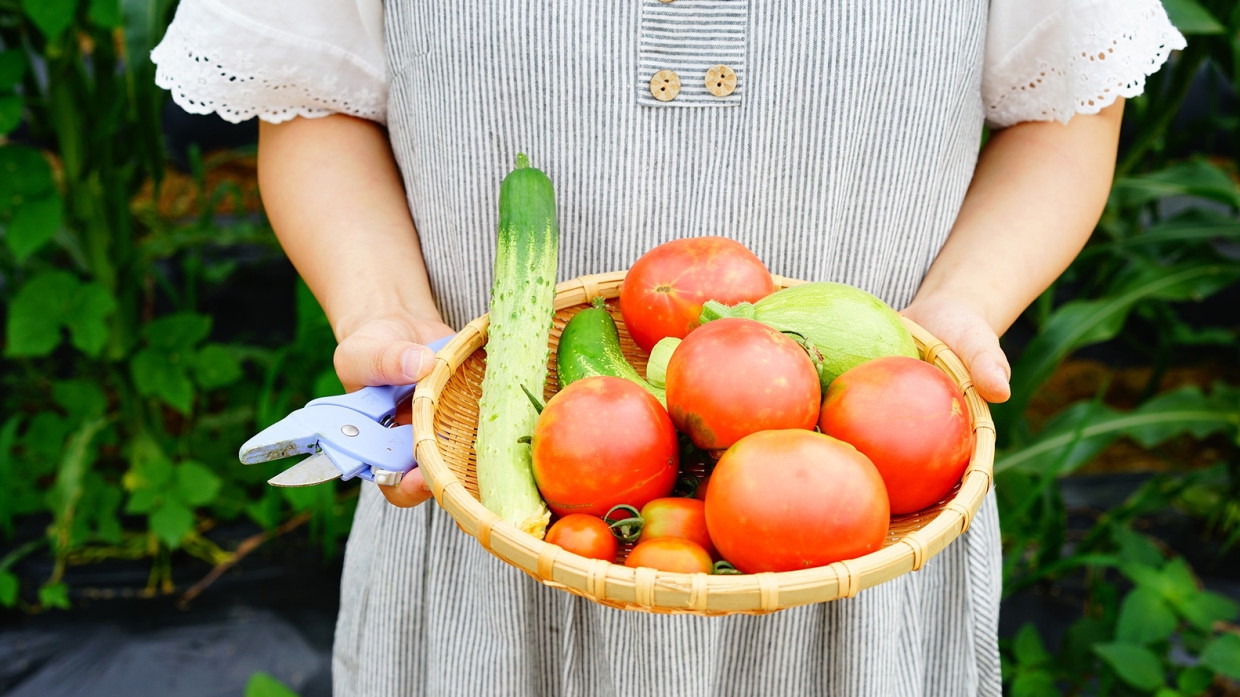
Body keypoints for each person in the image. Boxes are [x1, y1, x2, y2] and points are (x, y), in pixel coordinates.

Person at [152, 2, 1185, 695]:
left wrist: (962, 308)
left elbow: (1068, 101)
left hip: (866, 548)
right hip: (488, 510)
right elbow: (314, 96)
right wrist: (382, 314)